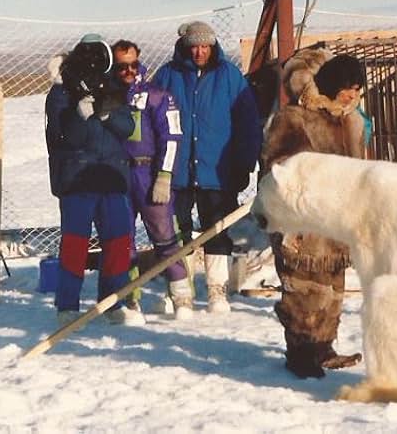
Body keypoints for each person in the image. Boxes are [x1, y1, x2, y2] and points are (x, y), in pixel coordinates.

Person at [261, 48, 367, 379]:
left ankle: (324, 347)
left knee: (331, 291)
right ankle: (301, 353)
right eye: (349, 85)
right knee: (302, 293)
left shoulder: (350, 122)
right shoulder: (294, 118)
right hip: (301, 222)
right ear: (333, 82)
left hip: (336, 224)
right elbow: (277, 167)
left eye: (358, 87)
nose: (354, 93)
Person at [152, 21, 262, 313]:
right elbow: (151, 120)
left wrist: (244, 163)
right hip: (176, 172)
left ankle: (217, 290)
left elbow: (248, 123)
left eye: (205, 46)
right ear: (186, 47)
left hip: (219, 170)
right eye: (195, 46)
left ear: (213, 47)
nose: (200, 52)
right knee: (177, 232)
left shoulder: (230, 77)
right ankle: (181, 291)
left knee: (218, 229)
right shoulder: (167, 76)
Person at [45, 34, 145, 326]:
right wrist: (80, 114)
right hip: (77, 180)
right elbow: (64, 138)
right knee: (75, 245)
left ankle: (113, 302)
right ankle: (67, 307)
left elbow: (128, 127)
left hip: (110, 177)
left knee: (117, 243)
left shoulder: (112, 88)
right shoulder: (61, 93)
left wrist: (105, 113)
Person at [110, 40, 194, 320]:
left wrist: (164, 176)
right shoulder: (109, 96)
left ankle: (181, 295)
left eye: (133, 64)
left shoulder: (157, 95)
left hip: (149, 173)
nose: (128, 71)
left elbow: (171, 138)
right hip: (119, 176)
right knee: (123, 241)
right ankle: (131, 298)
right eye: (122, 66)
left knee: (164, 235)